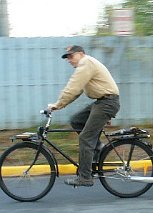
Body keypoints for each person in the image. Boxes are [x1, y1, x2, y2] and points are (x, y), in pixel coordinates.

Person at [48, 45, 120, 187]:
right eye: (67, 57)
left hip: (106, 103)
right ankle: (98, 147)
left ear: (80, 54)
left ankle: (85, 177)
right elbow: (76, 91)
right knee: (76, 120)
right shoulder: (85, 65)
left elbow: (72, 87)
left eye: (71, 56)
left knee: (86, 138)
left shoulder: (86, 63)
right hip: (103, 102)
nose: (69, 60)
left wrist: (57, 105)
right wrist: (60, 105)